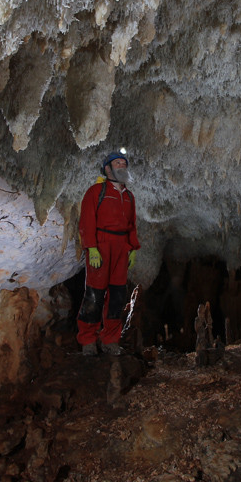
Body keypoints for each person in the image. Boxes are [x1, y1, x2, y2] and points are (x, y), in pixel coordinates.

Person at [77, 151, 139, 355]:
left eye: (124, 163)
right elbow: (86, 220)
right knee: (95, 294)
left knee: (118, 296)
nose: (122, 166)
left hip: (121, 246)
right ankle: (88, 339)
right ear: (107, 169)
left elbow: (131, 225)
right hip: (102, 245)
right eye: (117, 163)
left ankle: (110, 338)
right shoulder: (96, 191)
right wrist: (92, 248)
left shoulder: (129, 196)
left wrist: (132, 248)